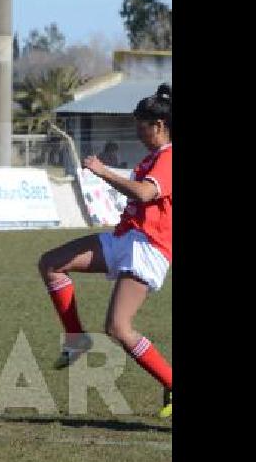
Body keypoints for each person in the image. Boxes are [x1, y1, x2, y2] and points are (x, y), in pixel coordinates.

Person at [36, 83, 173, 418]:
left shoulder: (170, 157)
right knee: (52, 263)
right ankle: (75, 338)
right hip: (126, 239)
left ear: (158, 126)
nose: (137, 132)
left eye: (141, 126)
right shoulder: (155, 156)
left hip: (148, 248)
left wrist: (103, 172)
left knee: (118, 328)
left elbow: (143, 194)